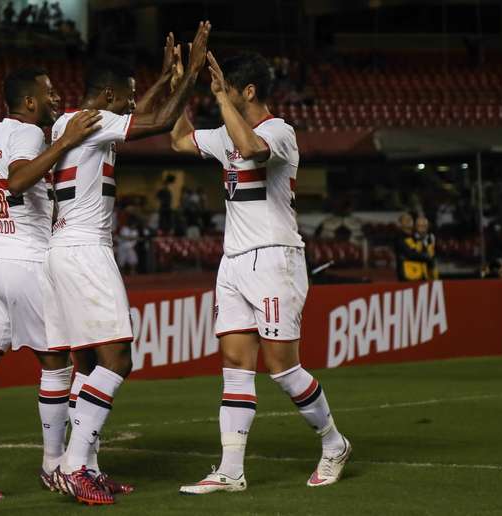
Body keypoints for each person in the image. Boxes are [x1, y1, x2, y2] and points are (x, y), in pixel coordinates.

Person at [44, 24, 211, 505]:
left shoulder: (72, 123)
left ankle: (87, 467)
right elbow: (157, 123)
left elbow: (142, 108)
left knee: (88, 363)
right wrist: (192, 73)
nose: (133, 105)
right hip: (85, 249)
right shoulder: (94, 121)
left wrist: (161, 80)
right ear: (109, 95)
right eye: (129, 97)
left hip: (65, 249)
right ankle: (75, 465)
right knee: (119, 358)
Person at [170, 51, 351, 493]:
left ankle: (334, 443)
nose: (220, 96)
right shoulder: (223, 134)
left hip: (275, 258)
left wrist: (219, 100)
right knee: (234, 364)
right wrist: (180, 89)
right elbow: (179, 140)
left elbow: (251, 149)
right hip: (232, 262)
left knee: (283, 368)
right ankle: (231, 471)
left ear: (247, 91)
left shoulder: (278, 131)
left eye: (226, 87)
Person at [0, 68, 102, 503]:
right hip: (26, 258)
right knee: (57, 363)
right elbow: (18, 179)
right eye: (49, 92)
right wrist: (64, 141)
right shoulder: (31, 134)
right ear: (30, 102)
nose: (55, 97)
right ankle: (54, 464)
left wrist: (0, 225)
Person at [394, 213, 431, 282]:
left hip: (421, 276)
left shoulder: (417, 236)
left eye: (410, 219)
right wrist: (425, 256)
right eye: (405, 219)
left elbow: (427, 252)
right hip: (407, 277)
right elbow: (410, 254)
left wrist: (425, 255)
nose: (409, 220)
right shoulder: (399, 238)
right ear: (400, 224)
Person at [415, 215, 438, 280]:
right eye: (419, 226)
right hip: (416, 271)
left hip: (430, 269)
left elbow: (432, 253)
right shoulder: (412, 238)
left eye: (424, 226)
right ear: (416, 226)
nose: (422, 228)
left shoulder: (431, 237)